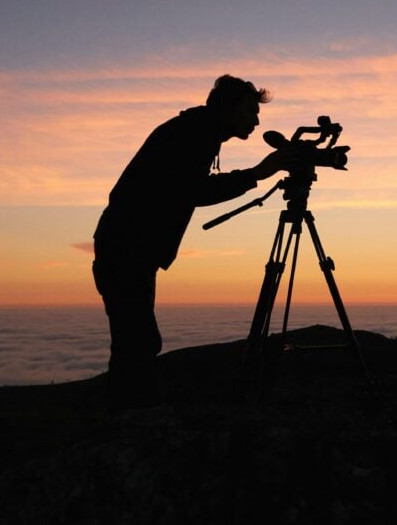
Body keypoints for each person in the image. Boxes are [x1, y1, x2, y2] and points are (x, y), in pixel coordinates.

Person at [92, 75, 292, 409]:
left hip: (129, 247)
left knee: (135, 340)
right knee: (137, 342)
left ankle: (126, 416)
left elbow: (186, 188)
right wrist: (256, 174)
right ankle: (126, 420)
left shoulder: (198, 130)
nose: (256, 120)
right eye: (249, 111)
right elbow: (193, 190)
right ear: (227, 108)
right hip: (126, 248)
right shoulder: (193, 134)